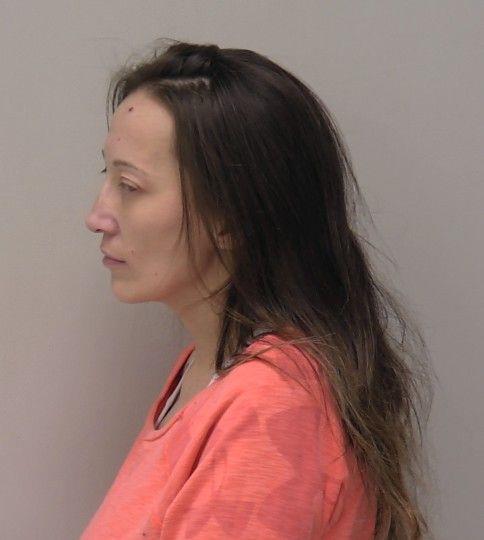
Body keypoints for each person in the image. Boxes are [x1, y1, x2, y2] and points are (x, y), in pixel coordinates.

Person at [82, 39, 433, 539]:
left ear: (231, 217)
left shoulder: (269, 405)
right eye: (108, 175)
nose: (97, 216)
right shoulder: (204, 371)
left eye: (130, 186)